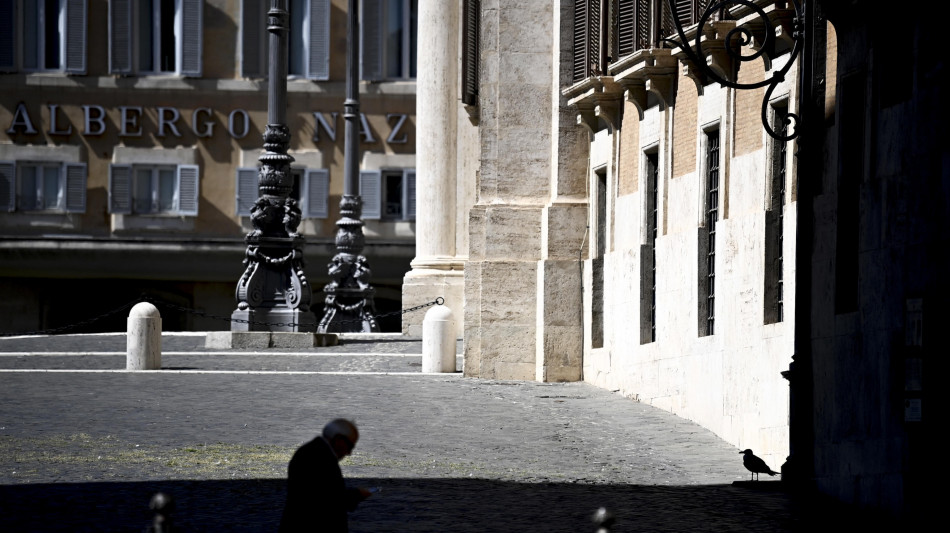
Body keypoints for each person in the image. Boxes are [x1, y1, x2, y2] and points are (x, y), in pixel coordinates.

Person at [278, 419, 372, 532]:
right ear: (339, 440)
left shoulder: (310, 451)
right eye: (350, 446)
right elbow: (327, 499)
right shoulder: (321, 457)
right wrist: (357, 495)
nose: (349, 453)